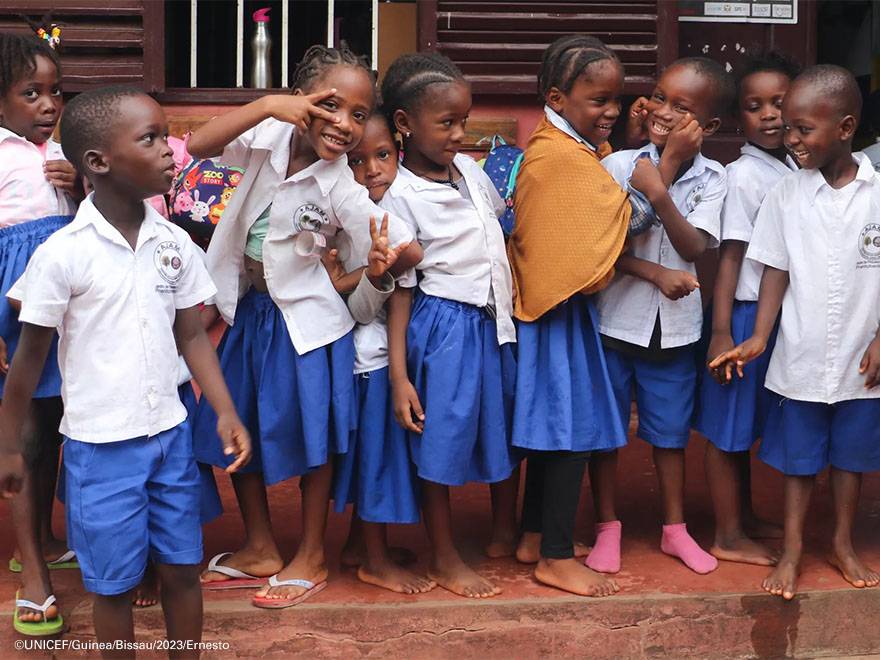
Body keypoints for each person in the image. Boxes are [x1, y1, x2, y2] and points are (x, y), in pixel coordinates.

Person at [0, 85, 251, 655]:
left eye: (166, 136)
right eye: (151, 138)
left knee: (183, 569)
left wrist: (226, 409)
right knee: (112, 587)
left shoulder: (175, 244)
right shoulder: (63, 254)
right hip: (99, 450)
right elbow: (28, 360)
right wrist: (10, 444)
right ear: (97, 163)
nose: (170, 150)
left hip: (169, 437)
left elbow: (191, 334)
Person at [187, 44, 419, 609]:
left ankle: (312, 552)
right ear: (302, 99)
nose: (344, 125)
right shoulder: (265, 140)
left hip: (311, 329)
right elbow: (197, 146)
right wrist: (269, 105)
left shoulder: (340, 183)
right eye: (332, 106)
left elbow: (405, 247)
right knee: (232, 425)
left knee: (314, 440)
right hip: (252, 312)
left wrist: (383, 264)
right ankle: (261, 545)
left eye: (359, 116)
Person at [710, 65, 880, 600]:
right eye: (789, 129)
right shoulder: (786, 193)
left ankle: (842, 542)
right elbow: (775, 270)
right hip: (801, 351)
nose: (792, 140)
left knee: (851, 459)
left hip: (862, 352)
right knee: (799, 460)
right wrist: (759, 336)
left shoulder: (878, 193)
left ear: (846, 126)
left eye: (804, 129)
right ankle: (792, 549)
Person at [380, 52, 518, 599]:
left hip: (493, 321)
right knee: (440, 436)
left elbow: (498, 237)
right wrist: (398, 375)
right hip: (443, 326)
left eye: (465, 120)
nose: (460, 134)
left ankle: (504, 532)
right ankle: (442, 554)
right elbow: (401, 288)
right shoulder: (399, 196)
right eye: (447, 123)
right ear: (405, 124)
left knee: (499, 424)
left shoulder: (471, 172)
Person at [590, 57, 733, 575]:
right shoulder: (617, 165)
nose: (663, 111)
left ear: (709, 127)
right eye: (659, 96)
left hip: (675, 331)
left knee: (670, 436)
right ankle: (607, 525)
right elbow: (604, 245)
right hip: (614, 322)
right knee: (606, 433)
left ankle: (674, 530)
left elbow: (695, 245)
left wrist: (660, 187)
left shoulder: (715, 179)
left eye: (683, 107)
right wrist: (658, 173)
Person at [506, 35, 632, 597]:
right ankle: (554, 557)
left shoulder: (570, 149)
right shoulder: (556, 156)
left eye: (617, 100)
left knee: (555, 428)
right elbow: (618, 217)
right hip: (552, 311)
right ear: (558, 97)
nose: (612, 112)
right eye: (598, 100)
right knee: (568, 431)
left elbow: (599, 207)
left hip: (559, 312)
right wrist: (668, 167)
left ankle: (535, 535)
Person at [695, 51, 800, 567]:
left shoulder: (793, 168)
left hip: (777, 320)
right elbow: (729, 257)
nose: (770, 115)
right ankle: (728, 533)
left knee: (744, 426)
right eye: (755, 106)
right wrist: (718, 330)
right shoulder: (743, 176)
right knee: (726, 427)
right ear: (739, 119)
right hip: (741, 317)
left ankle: (746, 515)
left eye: (779, 103)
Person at [326, 110, 434, 594]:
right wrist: (397, 375)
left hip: (375, 358)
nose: (372, 169)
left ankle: (358, 546)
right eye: (356, 161)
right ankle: (374, 560)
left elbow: (394, 282)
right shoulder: (362, 217)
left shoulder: (393, 208)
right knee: (376, 462)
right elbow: (381, 295)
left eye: (383, 155)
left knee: (375, 458)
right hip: (365, 360)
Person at [0, 31, 80, 635]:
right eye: (31, 93)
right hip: (18, 306)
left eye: (55, 91)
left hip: (71, 300)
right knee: (26, 434)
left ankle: (48, 539)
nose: (49, 104)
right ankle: (32, 573)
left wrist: (77, 186)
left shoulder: (65, 150)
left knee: (54, 423)